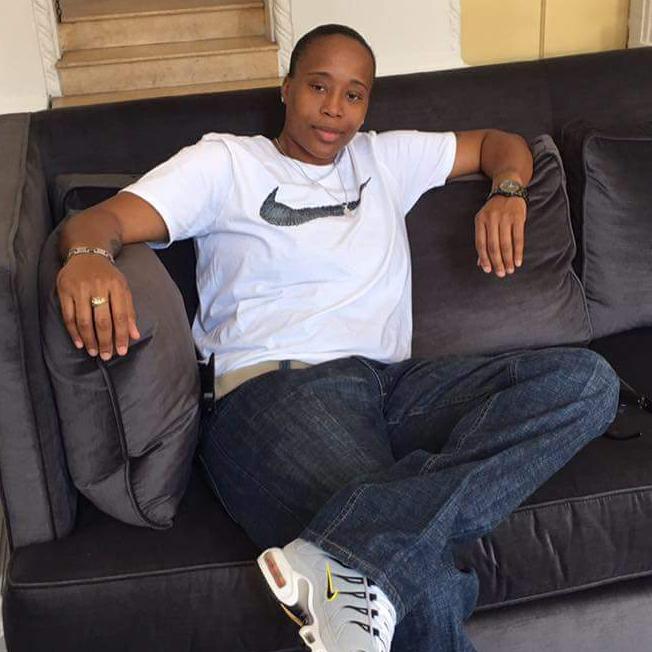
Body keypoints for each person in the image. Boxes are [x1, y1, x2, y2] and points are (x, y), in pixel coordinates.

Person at [56, 23, 620, 652]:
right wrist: (87, 254)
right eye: (318, 87)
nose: (334, 109)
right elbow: (101, 220)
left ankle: (349, 548)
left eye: (353, 95)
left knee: (587, 382)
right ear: (287, 87)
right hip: (277, 392)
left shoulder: (383, 159)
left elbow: (499, 144)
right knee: (420, 587)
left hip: (394, 387)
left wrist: (509, 191)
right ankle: (368, 553)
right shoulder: (226, 162)